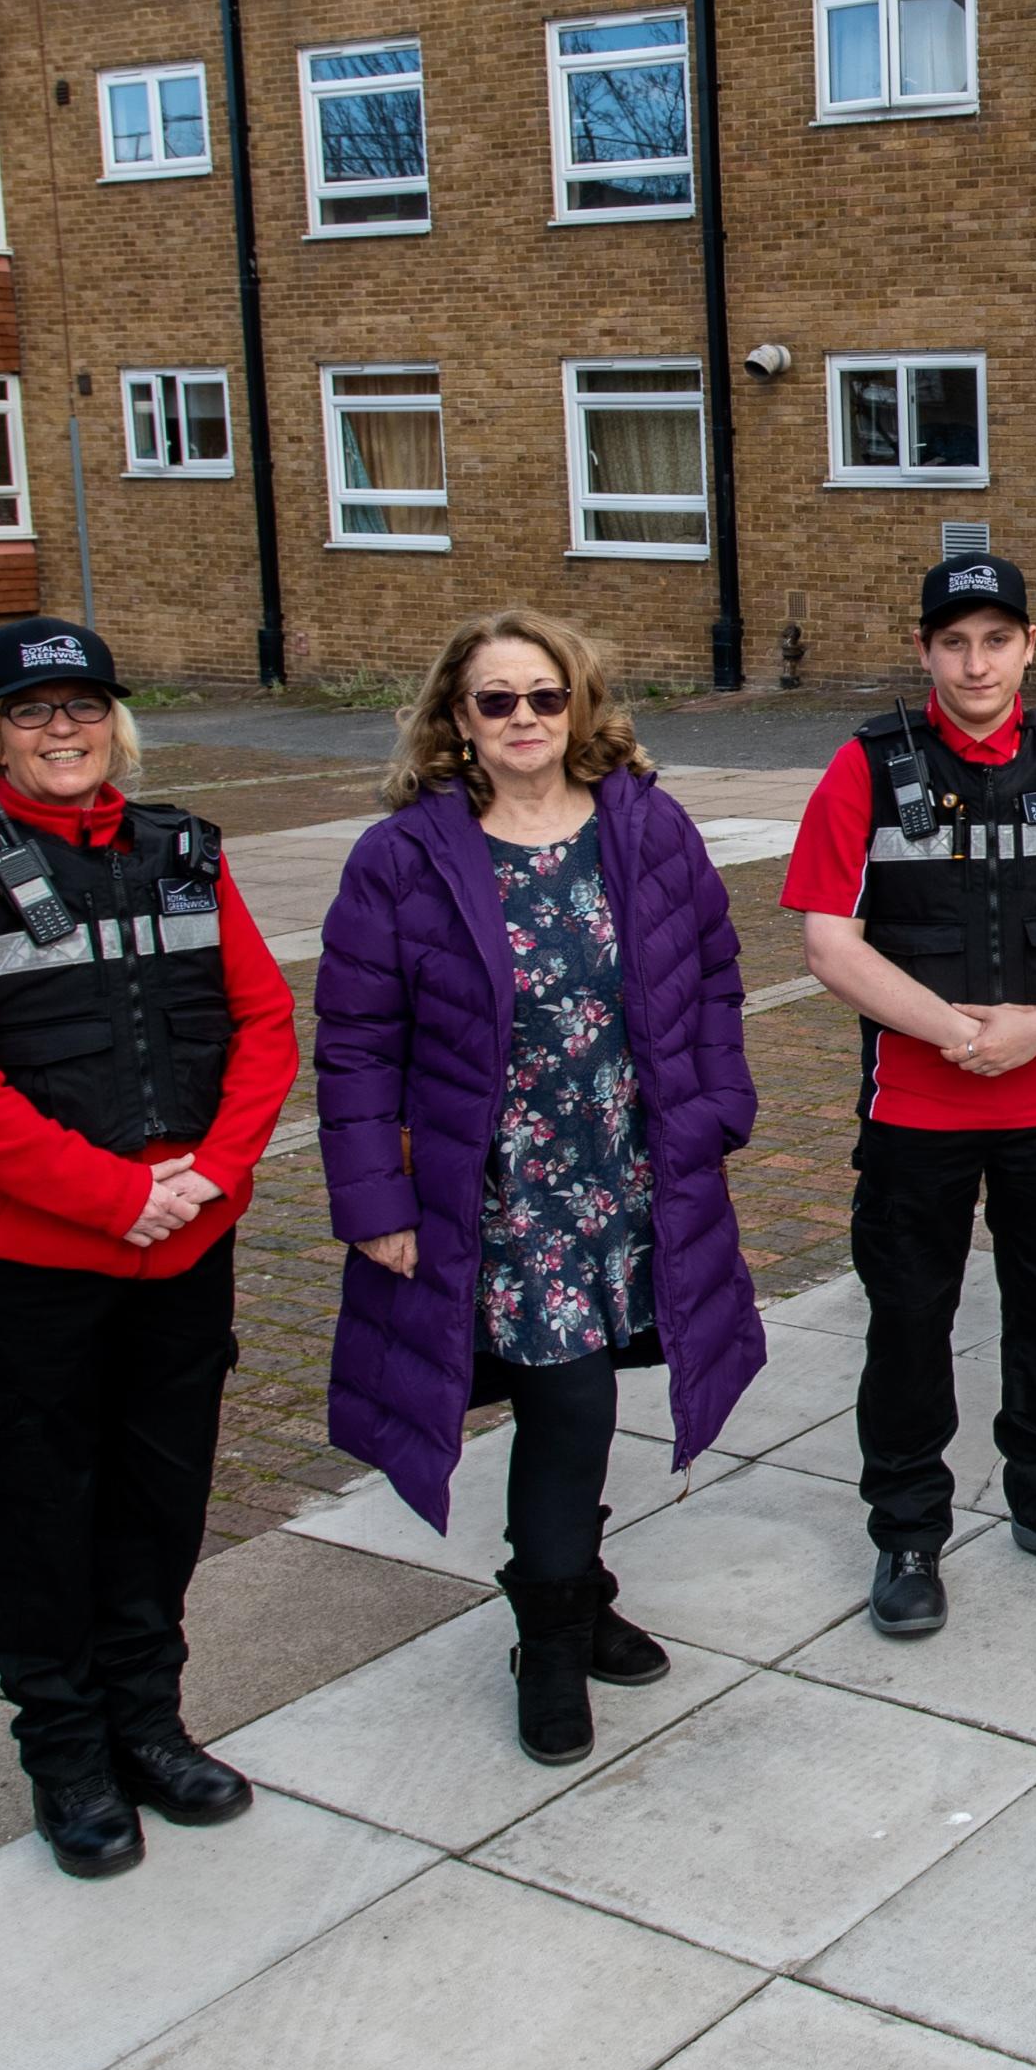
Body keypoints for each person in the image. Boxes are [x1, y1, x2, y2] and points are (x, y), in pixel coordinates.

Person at [316, 610, 765, 1767]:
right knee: (568, 1406)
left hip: (632, 1172)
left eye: (543, 697)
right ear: (456, 722)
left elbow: (713, 973)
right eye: (495, 701)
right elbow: (357, 1041)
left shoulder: (647, 829)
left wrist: (719, 1112)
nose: (523, 719)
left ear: (581, 705)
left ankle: (577, 1591)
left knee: (595, 1393)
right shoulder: (404, 858)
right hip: (505, 1194)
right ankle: (551, 1640)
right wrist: (375, 1207)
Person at [0, 618, 297, 1877]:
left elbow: (264, 1020)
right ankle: (67, 1753)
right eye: (31, 713)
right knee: (42, 1514)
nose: (60, 732)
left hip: (184, 1254)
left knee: (160, 1505)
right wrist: (116, 1195)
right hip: (31, 1270)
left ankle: (150, 1725)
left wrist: (214, 1177)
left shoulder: (185, 852)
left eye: (80, 708)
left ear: (115, 722)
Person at [784, 552, 1036, 1638]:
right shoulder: (866, 767)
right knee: (910, 1324)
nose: (975, 662)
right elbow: (828, 940)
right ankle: (909, 1532)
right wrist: (956, 1031)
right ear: (923, 651)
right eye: (953, 642)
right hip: (917, 1110)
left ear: (1029, 648)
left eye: (996, 640)